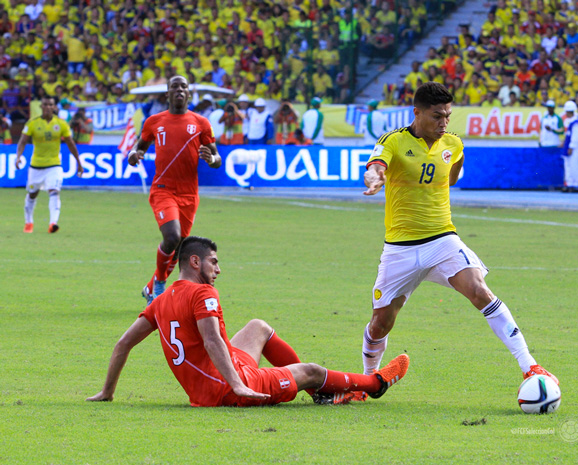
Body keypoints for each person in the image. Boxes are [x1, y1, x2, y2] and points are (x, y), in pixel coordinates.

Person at [360, 82, 558, 389]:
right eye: (437, 115)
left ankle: (530, 366)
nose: (443, 123)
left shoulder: (453, 143)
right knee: (380, 323)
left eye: (448, 116)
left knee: (480, 290)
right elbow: (376, 165)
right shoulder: (395, 141)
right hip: (400, 248)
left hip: (442, 240)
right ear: (417, 113)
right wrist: (375, 177)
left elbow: (452, 173)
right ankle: (366, 380)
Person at [87, 236, 410, 406]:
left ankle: (319, 394)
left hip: (214, 380)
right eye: (213, 262)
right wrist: (239, 384)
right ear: (195, 261)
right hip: (227, 389)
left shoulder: (160, 300)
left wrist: (107, 391)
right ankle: (375, 384)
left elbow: (123, 344)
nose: (218, 269)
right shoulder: (203, 294)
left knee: (257, 326)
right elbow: (213, 341)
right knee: (310, 371)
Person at [127, 75, 220, 304]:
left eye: (183, 86)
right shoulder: (154, 122)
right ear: (167, 93)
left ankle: (150, 288)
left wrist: (211, 158)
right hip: (163, 189)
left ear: (189, 93)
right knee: (172, 236)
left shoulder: (201, 123)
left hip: (189, 194)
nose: (179, 90)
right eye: (174, 86)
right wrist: (134, 155)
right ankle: (159, 285)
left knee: (178, 249)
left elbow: (217, 157)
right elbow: (139, 148)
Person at [14, 95, 83, 233]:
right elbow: (22, 141)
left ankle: (53, 223)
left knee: (54, 192)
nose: (48, 107)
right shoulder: (32, 123)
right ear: (41, 107)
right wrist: (18, 156)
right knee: (32, 194)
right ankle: (29, 222)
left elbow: (71, 143)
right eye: (45, 104)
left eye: (50, 105)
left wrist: (79, 162)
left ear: (54, 107)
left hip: (54, 165)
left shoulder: (61, 124)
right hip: (36, 166)